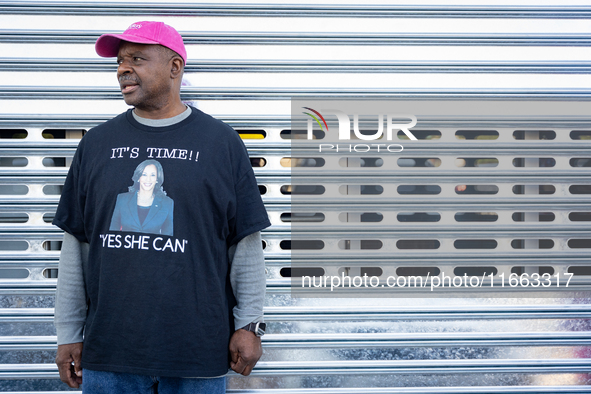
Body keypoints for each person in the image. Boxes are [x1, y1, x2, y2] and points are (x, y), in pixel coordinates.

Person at [52, 21, 271, 393]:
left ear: (175, 67)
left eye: (137, 58)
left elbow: (244, 244)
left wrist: (248, 326)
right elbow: (77, 248)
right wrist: (67, 334)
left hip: (196, 354)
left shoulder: (221, 143)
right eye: (120, 61)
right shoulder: (97, 144)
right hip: (110, 353)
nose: (123, 68)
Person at [109, 159, 174, 236]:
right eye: (144, 174)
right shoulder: (122, 199)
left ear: (157, 179)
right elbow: (112, 232)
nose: (148, 179)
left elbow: (168, 236)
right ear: (138, 177)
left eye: (152, 175)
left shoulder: (167, 203)